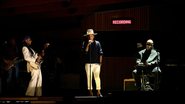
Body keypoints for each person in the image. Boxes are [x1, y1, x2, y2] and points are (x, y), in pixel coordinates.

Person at [82, 29, 103, 97]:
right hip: (88, 64)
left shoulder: (98, 43)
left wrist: (100, 62)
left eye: (91, 35)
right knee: (89, 77)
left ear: (93, 36)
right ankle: (90, 91)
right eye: (89, 36)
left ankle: (98, 91)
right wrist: (88, 44)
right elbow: (84, 52)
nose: (90, 37)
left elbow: (101, 53)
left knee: (97, 77)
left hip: (97, 64)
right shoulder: (85, 43)